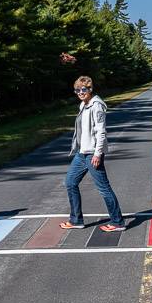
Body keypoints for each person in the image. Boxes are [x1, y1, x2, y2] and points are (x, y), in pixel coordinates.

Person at [61, 76, 126, 232]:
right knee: (70, 182)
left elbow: (101, 132)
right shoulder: (83, 105)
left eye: (83, 89)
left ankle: (118, 222)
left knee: (103, 188)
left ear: (90, 89)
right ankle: (76, 220)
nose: (80, 92)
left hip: (92, 154)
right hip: (81, 153)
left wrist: (97, 154)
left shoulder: (96, 106)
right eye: (77, 90)